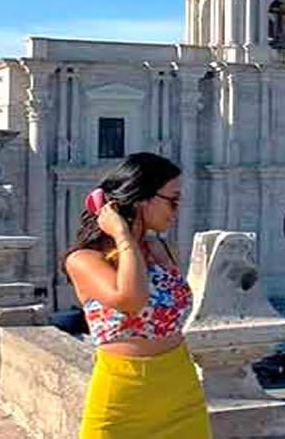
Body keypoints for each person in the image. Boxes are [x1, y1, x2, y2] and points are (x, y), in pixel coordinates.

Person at [63, 152, 211, 439]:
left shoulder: (163, 249)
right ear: (143, 198)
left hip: (180, 387)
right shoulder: (84, 260)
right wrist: (123, 235)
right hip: (121, 395)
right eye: (173, 199)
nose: (177, 209)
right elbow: (131, 299)